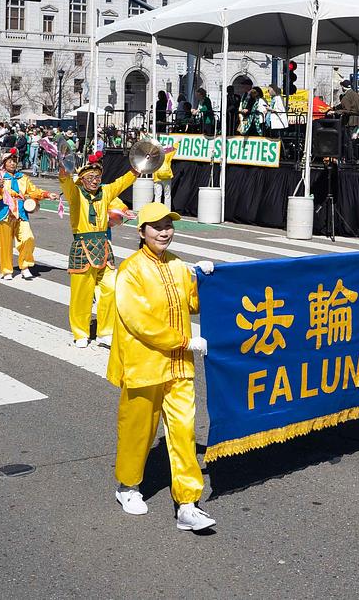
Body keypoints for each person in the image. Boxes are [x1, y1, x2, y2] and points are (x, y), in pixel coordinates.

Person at [107, 202, 215, 532]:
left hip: (179, 367)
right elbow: (139, 321)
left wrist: (207, 280)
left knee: (184, 430)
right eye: (156, 226)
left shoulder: (179, 265)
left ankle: (187, 503)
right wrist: (183, 341)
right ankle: (127, 486)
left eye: (168, 224)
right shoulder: (131, 270)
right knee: (138, 430)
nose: (164, 231)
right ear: (142, 233)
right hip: (143, 365)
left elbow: (193, 304)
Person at [59, 158, 137, 348]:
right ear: (83, 179)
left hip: (103, 246)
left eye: (98, 177)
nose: (95, 180)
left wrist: (135, 171)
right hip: (82, 246)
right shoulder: (75, 193)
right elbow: (67, 183)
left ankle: (105, 331)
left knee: (111, 288)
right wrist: (65, 169)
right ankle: (80, 332)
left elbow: (121, 183)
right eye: (91, 177)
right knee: (82, 294)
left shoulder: (105, 192)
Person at [0, 150, 56, 280]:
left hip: (21, 212)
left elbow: (33, 191)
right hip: (5, 213)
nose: (13, 164)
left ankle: (25, 266)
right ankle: (7, 270)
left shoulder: (23, 177)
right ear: (4, 163)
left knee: (28, 238)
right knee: (5, 244)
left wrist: (47, 194)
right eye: (10, 161)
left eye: (14, 161)